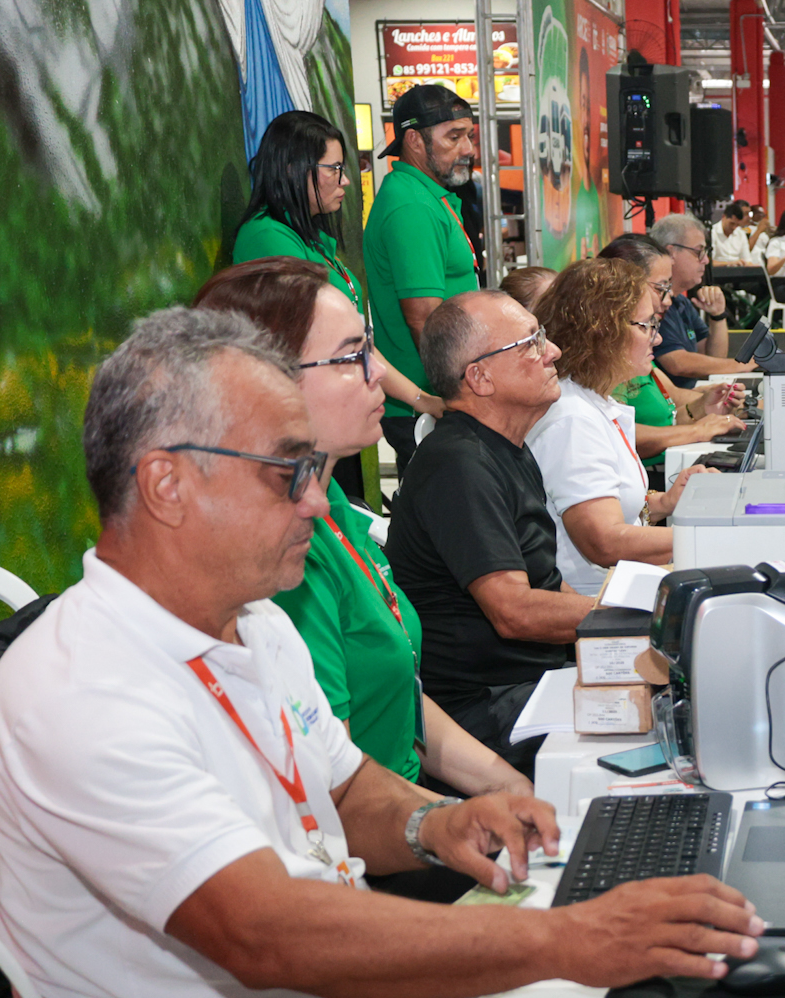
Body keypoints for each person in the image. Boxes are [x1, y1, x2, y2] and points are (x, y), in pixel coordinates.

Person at [0, 305, 769, 998]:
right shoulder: (84, 695)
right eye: (287, 472)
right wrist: (566, 939)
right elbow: (266, 934)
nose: (317, 498)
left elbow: (345, 790)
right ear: (167, 483)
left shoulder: (249, 625)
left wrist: (438, 821)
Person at [192, 258, 532, 852]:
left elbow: (403, 701)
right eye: (352, 357)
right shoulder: (279, 559)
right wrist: (469, 825)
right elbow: (336, 802)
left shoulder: (332, 511)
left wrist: (515, 790)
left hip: (407, 814)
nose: (380, 374)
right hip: (373, 849)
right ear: (266, 384)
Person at [387, 289, 592, 768]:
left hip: (529, 684)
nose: (553, 351)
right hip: (483, 708)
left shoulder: (505, 447)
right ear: (479, 377)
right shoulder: (460, 464)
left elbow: (545, 583)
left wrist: (621, 619)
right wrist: (645, 614)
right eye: (531, 343)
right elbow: (514, 612)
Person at [232, 110, 441, 502]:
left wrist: (421, 399)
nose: (345, 181)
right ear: (294, 169)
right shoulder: (267, 237)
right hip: (304, 422)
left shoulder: (311, 240)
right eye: (335, 169)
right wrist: (420, 398)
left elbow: (356, 342)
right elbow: (328, 342)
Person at [525, 259, 704, 594]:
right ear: (603, 332)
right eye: (646, 325)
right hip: (597, 601)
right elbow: (604, 542)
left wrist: (664, 503)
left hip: (618, 587)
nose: (657, 337)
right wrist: (712, 536)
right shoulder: (573, 419)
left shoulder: (591, 401)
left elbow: (611, 510)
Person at [362, 84, 481, 477]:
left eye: (469, 136)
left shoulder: (427, 195)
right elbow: (424, 319)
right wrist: (461, 395)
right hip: (433, 402)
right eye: (454, 137)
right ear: (414, 140)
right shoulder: (411, 204)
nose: (468, 149)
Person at [599, 234, 746, 471]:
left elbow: (673, 405)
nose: (667, 299)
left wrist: (705, 407)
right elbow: (615, 432)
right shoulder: (604, 362)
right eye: (661, 288)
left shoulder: (638, 354)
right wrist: (697, 429)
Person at [648, 213, 756, 380]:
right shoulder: (654, 304)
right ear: (671, 253)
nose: (706, 260)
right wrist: (741, 365)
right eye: (699, 252)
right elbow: (678, 363)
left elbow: (714, 359)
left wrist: (718, 316)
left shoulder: (682, 302)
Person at [711, 199, 759, 264]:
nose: (734, 228)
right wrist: (730, 264)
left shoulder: (740, 233)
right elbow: (709, 263)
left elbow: (747, 260)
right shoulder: (712, 232)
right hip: (719, 269)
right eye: (732, 223)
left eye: (737, 225)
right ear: (723, 217)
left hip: (738, 268)